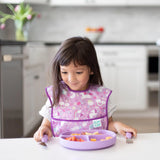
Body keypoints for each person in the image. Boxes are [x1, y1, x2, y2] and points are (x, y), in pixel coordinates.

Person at [34, 36, 137, 142]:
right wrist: (43, 129)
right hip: (63, 150)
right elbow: (46, 125)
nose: (71, 79)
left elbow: (107, 125)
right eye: (64, 72)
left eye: (78, 72)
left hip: (95, 150)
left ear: (91, 69)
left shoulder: (100, 96)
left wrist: (116, 125)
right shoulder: (56, 94)